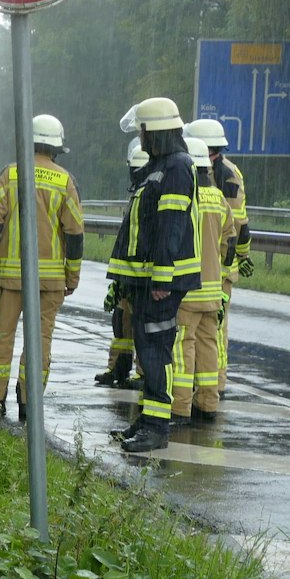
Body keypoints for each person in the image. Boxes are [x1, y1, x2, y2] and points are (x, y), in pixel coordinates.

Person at [0, 115, 84, 422]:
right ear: (56, 148)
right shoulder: (65, 181)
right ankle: (29, 402)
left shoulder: (10, 175)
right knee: (40, 342)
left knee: (1, 336)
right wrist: (72, 276)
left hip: (10, 278)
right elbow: (75, 234)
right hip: (50, 282)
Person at [118, 97, 199, 453]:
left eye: (143, 132)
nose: (141, 139)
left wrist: (162, 278)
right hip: (147, 279)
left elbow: (171, 225)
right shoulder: (159, 167)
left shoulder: (177, 167)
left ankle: (157, 428)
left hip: (162, 281)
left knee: (156, 352)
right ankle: (148, 419)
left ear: (157, 133)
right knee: (146, 350)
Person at [185, 118, 252, 392]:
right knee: (210, 330)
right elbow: (239, 224)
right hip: (220, 261)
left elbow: (236, 223)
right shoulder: (228, 171)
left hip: (215, 263)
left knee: (208, 330)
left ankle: (214, 385)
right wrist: (242, 256)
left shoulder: (215, 174)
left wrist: (239, 256)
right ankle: (210, 387)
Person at [171, 138, 229, 425]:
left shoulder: (185, 196)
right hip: (213, 291)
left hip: (188, 289)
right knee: (209, 345)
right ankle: (207, 403)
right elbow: (229, 242)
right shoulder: (219, 198)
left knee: (183, 346)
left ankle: (180, 407)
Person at [95, 136, 147, 390]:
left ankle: (142, 372)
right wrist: (117, 281)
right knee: (122, 322)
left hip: (141, 276)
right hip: (128, 275)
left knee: (141, 325)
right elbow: (125, 240)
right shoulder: (136, 195)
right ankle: (118, 367)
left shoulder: (148, 195)